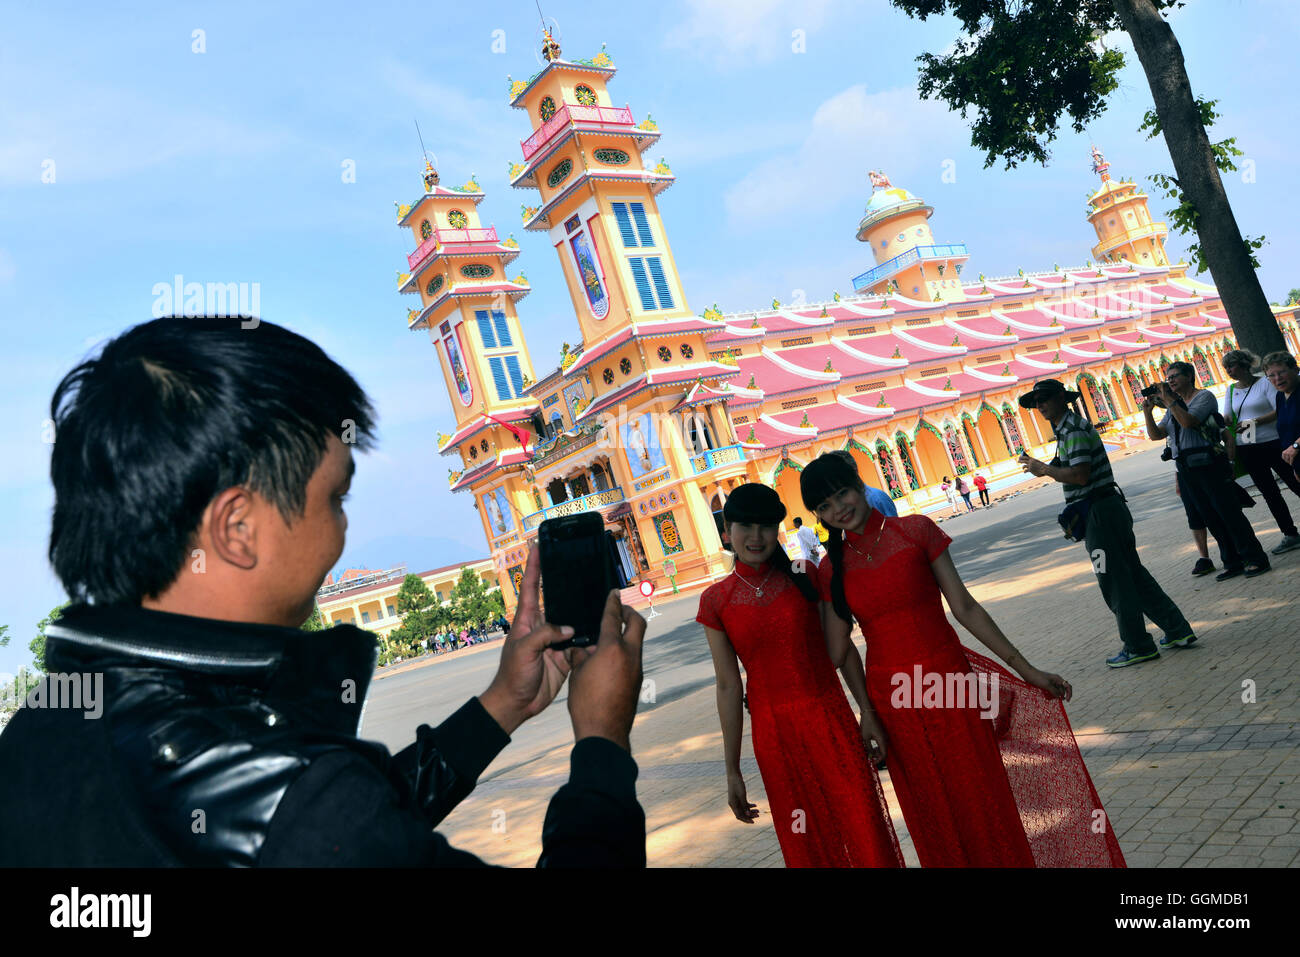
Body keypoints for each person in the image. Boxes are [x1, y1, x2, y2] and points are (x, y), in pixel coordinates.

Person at [0, 317, 647, 867]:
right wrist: (601, 743)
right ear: (238, 527)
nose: (343, 529)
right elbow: (321, 820)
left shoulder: (43, 728)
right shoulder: (292, 802)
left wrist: (503, 704)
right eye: (335, 497)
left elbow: (339, 815)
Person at [799, 453, 1124, 867]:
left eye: (842, 493)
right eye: (824, 506)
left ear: (860, 486)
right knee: (930, 807)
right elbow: (839, 651)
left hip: (951, 685)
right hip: (893, 702)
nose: (838, 509)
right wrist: (865, 711)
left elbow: (965, 608)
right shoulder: (832, 569)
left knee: (981, 793)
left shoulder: (916, 531)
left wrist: (1027, 670)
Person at [696, 483, 903, 868]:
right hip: (776, 740)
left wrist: (867, 711)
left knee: (864, 825)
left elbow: (841, 652)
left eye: (766, 526)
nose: (756, 537)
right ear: (727, 532)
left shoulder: (804, 573)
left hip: (831, 722)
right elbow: (728, 686)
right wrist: (732, 771)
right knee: (804, 836)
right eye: (746, 526)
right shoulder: (715, 601)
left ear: (777, 531)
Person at [1019, 378, 1196, 667]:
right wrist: (1045, 468)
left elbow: (1080, 476)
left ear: (1062, 398)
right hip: (1107, 509)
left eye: (1045, 398)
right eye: (1036, 401)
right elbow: (1072, 470)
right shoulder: (1067, 430)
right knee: (1134, 574)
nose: (1040, 405)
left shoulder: (1072, 430)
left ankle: (1138, 645)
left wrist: (1045, 469)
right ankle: (1176, 629)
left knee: (1113, 579)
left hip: (1098, 514)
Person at [1143, 362, 1270, 579]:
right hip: (1185, 467)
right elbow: (1157, 435)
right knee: (1210, 517)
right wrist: (1148, 413)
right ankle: (1232, 561)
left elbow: (1189, 422)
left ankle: (1254, 557)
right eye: (1168, 377)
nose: (1170, 381)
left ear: (1190, 376)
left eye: (1174, 376)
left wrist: (1168, 399)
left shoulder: (1204, 397)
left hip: (1209, 463)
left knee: (1229, 512)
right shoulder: (1176, 403)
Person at [1222, 349, 1300, 554]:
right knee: (1269, 493)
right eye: (1226, 367)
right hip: (1248, 447)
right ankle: (1289, 533)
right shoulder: (1230, 390)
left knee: (1294, 482)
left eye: (1232, 365)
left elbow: (1279, 409)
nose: (1229, 370)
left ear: (1245, 365)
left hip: (1273, 442)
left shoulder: (1265, 383)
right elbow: (1227, 417)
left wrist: (1253, 422)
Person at [1264, 351, 1300, 481]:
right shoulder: (1280, 396)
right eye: (1271, 375)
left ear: (1295, 369)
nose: (1277, 378)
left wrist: (1296, 446)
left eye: (1282, 372)